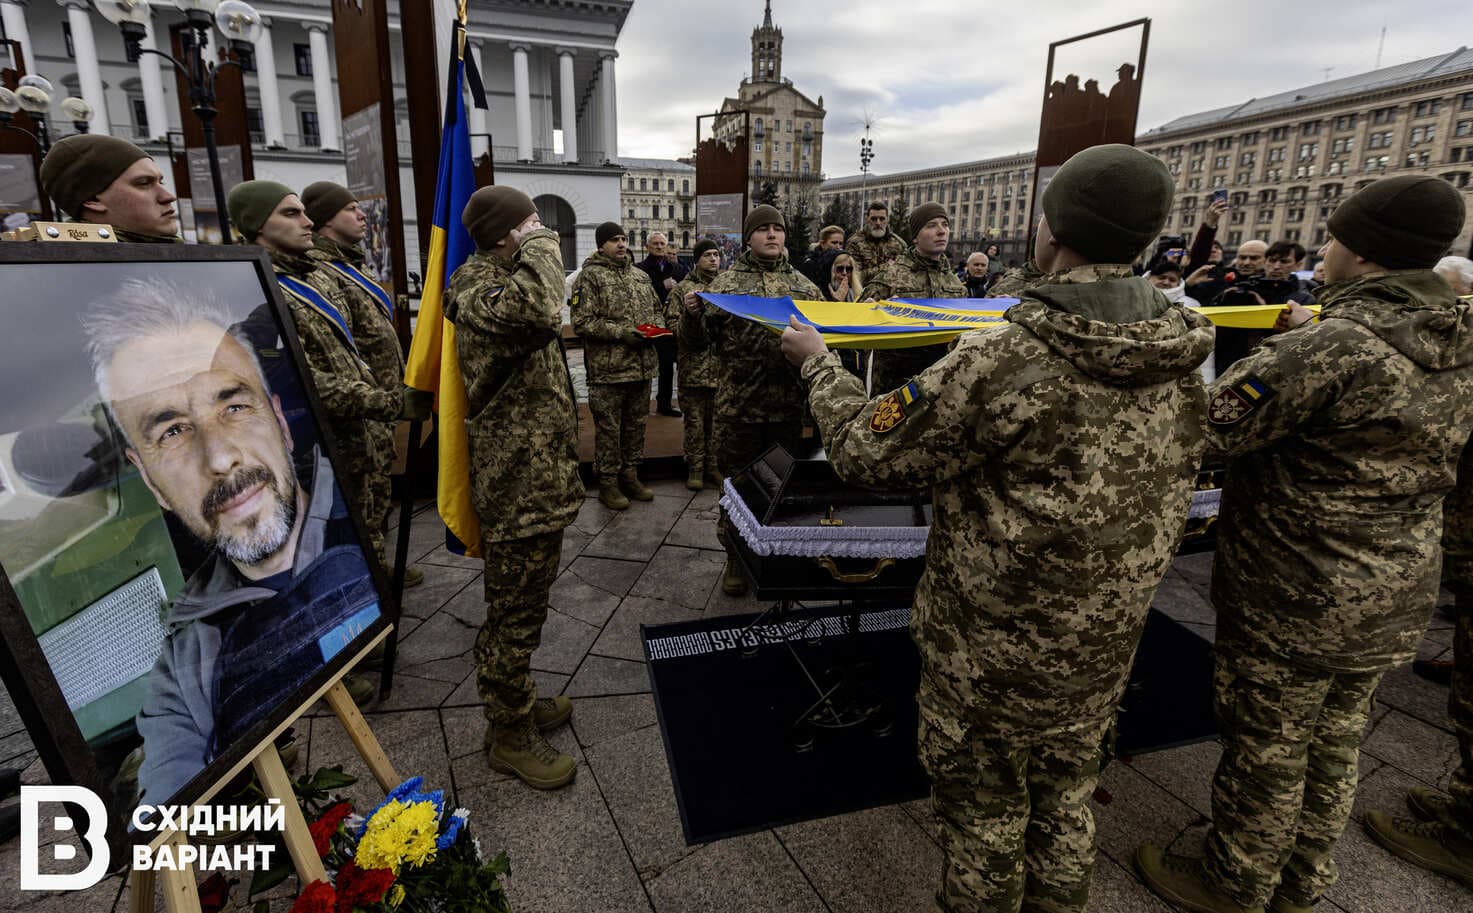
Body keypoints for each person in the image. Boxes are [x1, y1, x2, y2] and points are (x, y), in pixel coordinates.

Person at [780, 144, 1213, 913]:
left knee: (983, 809)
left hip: (993, 644)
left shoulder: (1005, 354)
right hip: (1106, 636)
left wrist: (819, 363)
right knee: (1066, 793)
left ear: (1052, 231)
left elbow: (867, 449)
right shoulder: (1184, 347)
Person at [1135, 175, 1473, 913]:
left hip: (1298, 586)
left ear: (1362, 251)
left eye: (1333, 235)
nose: (1323, 247)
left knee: (1268, 744)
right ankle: (1302, 876)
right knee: (1334, 737)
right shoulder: (1458, 333)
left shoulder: (1333, 345)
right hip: (1396, 581)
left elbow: (1204, 426)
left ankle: (1233, 879)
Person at [85, 279, 381, 807]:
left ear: (281, 424)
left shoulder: (361, 531)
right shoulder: (187, 671)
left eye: (234, 407)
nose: (220, 458)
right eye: (172, 431)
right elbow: (165, 790)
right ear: (150, 481)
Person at [445, 186, 581, 789]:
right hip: (516, 482)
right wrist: (547, 245)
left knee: (528, 604)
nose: (539, 229)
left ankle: (518, 698)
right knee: (514, 612)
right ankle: (508, 732)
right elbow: (540, 305)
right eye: (529, 221)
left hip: (538, 475)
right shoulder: (476, 286)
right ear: (503, 234)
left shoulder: (503, 278)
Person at [226, 182, 429, 565]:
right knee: (340, 532)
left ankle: (377, 570)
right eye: (291, 213)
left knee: (369, 514)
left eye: (304, 211)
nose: (306, 222)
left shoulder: (313, 276)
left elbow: (349, 348)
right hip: (324, 439)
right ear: (257, 225)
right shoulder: (258, 288)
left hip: (363, 425)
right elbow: (299, 378)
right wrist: (384, 401)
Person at [682, 204, 822, 596]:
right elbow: (696, 344)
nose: (773, 235)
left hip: (786, 409)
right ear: (749, 237)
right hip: (739, 409)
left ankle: (776, 555)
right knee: (738, 488)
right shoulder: (724, 286)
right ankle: (736, 557)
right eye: (764, 230)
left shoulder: (804, 287)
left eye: (778, 228)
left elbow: (824, 342)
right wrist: (691, 316)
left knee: (781, 487)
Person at [300, 181, 422, 589]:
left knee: (376, 494)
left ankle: (377, 564)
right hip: (360, 406)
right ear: (326, 219)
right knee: (360, 502)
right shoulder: (319, 270)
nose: (362, 215)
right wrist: (376, 396)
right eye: (352, 209)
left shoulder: (350, 264)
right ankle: (365, 579)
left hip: (379, 405)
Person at [572, 222, 664, 510]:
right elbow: (582, 322)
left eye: (624, 239)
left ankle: (630, 475)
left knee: (636, 426)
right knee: (610, 429)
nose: (622, 244)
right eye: (614, 240)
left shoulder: (641, 277)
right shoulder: (589, 277)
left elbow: (657, 312)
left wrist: (656, 330)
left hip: (642, 367)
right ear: (601, 245)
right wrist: (621, 333)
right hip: (608, 371)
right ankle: (608, 483)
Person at [865, 202, 967, 393]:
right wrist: (872, 312)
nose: (941, 231)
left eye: (945, 224)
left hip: (940, 385)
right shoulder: (890, 277)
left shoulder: (956, 284)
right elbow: (858, 323)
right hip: (895, 386)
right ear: (915, 238)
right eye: (931, 226)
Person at [38, 134, 179, 242]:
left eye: (161, 182)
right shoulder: (74, 269)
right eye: (143, 183)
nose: (168, 196)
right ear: (92, 199)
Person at [665, 239, 723, 491]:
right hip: (694, 368)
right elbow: (671, 327)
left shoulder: (725, 287)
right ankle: (695, 468)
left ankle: (713, 465)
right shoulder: (682, 290)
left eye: (716, 254)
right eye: (708, 255)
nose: (713, 259)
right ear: (697, 259)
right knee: (695, 422)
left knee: (717, 422)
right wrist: (691, 318)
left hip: (721, 369)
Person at [633, 232, 684, 417]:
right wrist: (661, 286)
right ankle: (638, 405)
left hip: (669, 324)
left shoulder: (677, 268)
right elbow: (637, 295)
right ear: (647, 246)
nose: (659, 247)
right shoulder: (639, 269)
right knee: (642, 364)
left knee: (667, 365)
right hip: (648, 323)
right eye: (655, 243)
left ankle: (664, 403)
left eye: (662, 243)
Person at [845, 201, 907, 276]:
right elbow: (854, 276)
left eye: (882, 219)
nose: (878, 223)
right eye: (874, 219)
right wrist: (886, 267)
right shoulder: (854, 243)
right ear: (867, 219)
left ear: (887, 220)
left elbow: (905, 274)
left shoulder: (899, 244)